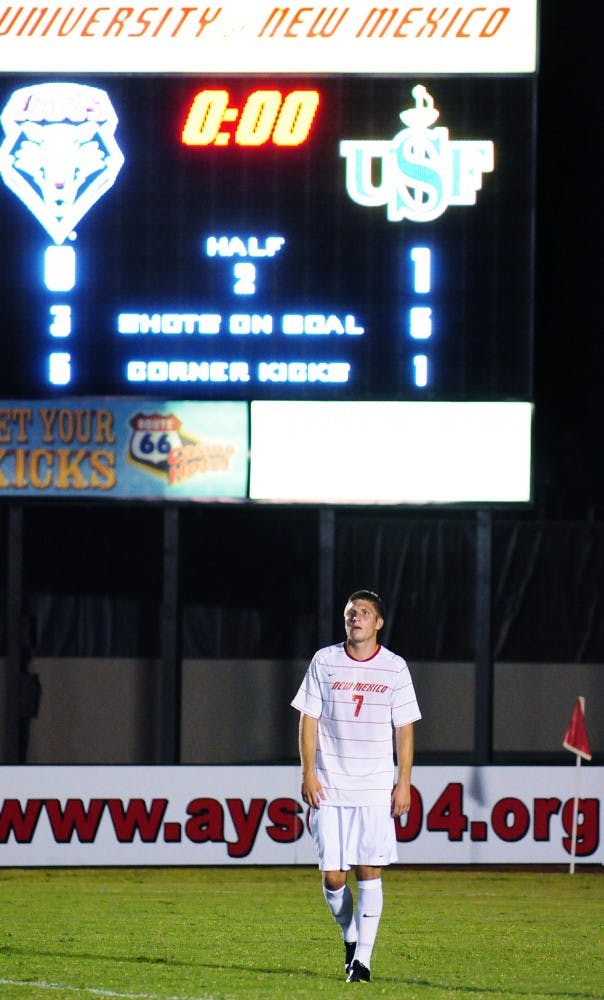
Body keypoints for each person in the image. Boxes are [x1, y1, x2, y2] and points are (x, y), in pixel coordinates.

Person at [291, 589, 421, 984]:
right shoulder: (324, 661)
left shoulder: (395, 667)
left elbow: (405, 729)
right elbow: (308, 719)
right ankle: (351, 936)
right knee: (333, 877)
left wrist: (404, 781)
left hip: (375, 788)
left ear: (378, 622)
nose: (356, 618)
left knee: (369, 872)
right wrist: (307, 773)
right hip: (330, 785)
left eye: (364, 612)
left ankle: (362, 961)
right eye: (351, 613)